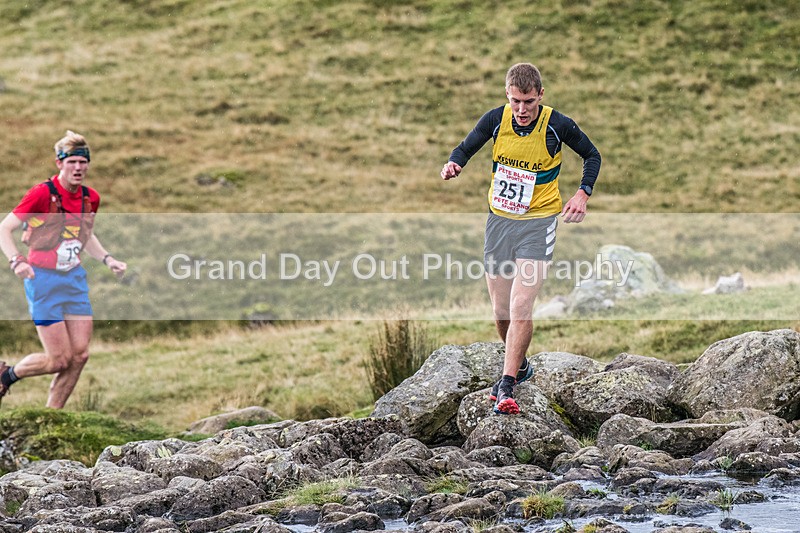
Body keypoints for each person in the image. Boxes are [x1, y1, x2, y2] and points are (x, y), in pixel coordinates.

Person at [441, 63, 601, 415]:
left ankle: (507, 384)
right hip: (499, 223)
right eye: (515, 101)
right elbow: (465, 147)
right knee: (500, 313)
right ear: (507, 95)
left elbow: (592, 155)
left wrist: (582, 194)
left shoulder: (557, 125)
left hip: (537, 224)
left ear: (540, 95)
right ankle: (522, 366)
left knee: (519, 307)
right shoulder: (495, 119)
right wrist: (453, 165)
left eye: (528, 101)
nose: (522, 109)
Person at [0, 130, 126, 408]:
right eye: (72, 162)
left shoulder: (90, 198)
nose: (78, 168)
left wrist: (108, 259)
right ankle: (6, 376)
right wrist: (16, 261)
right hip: (42, 279)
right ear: (59, 163)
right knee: (58, 359)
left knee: (79, 356)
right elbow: (4, 228)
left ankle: (53, 415)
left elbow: (85, 235)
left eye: (83, 162)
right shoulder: (41, 194)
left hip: (74, 280)